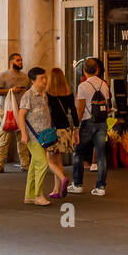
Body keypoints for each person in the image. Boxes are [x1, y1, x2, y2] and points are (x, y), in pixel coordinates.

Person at [70, 58, 112, 196]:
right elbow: (106, 106)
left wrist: (76, 127)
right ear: (98, 70)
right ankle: (100, 187)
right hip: (102, 123)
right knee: (101, 155)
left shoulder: (83, 86)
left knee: (79, 153)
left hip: (87, 123)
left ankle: (77, 184)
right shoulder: (104, 85)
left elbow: (80, 109)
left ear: (83, 71)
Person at [17, 67, 54, 206]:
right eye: (41, 78)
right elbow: (21, 115)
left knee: (34, 165)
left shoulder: (43, 94)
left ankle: (30, 195)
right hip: (33, 136)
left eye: (45, 77)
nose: (45, 80)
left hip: (44, 136)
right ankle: (38, 195)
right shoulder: (28, 96)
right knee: (42, 163)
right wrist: (24, 134)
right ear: (33, 81)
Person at [0, 53, 30, 173]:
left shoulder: (25, 76)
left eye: (21, 60)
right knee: (5, 138)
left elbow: (29, 91)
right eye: (18, 60)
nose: (20, 62)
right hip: (7, 110)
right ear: (11, 62)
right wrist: (10, 90)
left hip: (21, 110)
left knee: (22, 138)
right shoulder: (3, 75)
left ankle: (25, 164)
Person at [46, 67, 78, 199]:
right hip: (65, 129)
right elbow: (74, 113)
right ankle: (56, 190)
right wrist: (76, 129)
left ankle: (63, 178)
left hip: (52, 129)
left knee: (49, 160)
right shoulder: (68, 93)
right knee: (59, 161)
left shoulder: (47, 95)